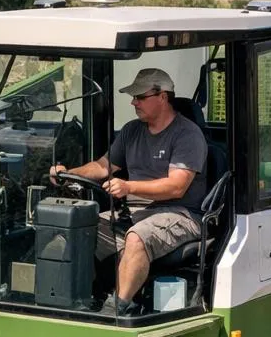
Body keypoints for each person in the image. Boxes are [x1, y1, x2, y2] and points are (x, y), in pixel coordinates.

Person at [49, 67, 207, 316]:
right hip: (135, 212)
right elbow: (103, 166)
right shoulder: (132, 130)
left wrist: (128, 187)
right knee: (77, 226)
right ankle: (74, 300)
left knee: (137, 237)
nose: (133, 102)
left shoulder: (187, 135)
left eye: (140, 97)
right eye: (133, 97)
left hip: (180, 214)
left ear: (163, 97)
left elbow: (176, 186)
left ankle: (116, 309)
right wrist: (70, 173)